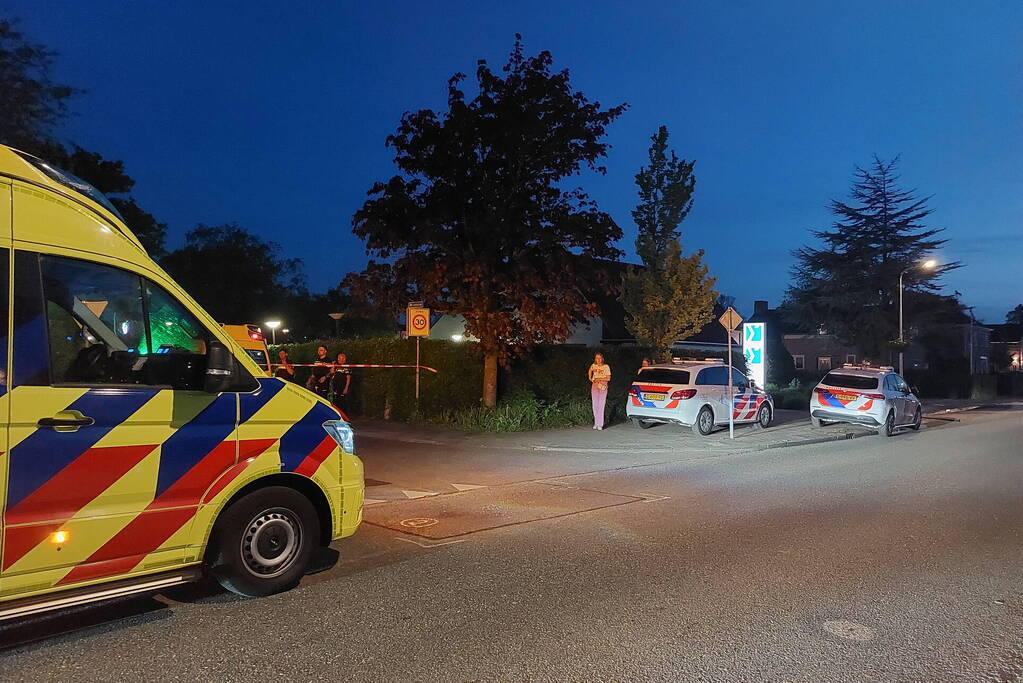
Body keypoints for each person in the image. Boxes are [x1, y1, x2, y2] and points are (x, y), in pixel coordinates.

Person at [587, 352, 612, 431]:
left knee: (601, 404)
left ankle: (600, 424)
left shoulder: (606, 367)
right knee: (595, 404)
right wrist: (590, 377)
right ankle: (596, 423)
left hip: (603, 385)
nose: (598, 360)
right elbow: (590, 370)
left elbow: (608, 378)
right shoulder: (594, 365)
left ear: (602, 359)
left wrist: (600, 379)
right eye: (596, 358)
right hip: (595, 385)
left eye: (599, 358)